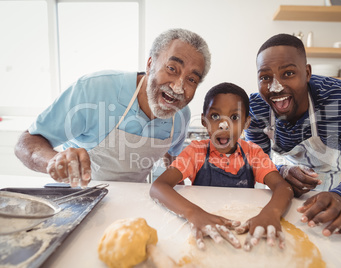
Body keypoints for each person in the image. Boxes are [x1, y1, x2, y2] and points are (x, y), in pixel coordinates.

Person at [14, 28, 211, 187]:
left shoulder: (181, 115)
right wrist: (54, 161)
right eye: (171, 69)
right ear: (150, 64)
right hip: (76, 198)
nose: (178, 87)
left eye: (191, 79)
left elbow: (171, 157)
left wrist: (177, 186)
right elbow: (26, 142)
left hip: (133, 205)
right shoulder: (95, 89)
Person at [245, 33, 341, 237]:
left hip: (339, 194)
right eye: (265, 77)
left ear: (307, 73)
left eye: (288, 73)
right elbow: (255, 161)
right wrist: (282, 172)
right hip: (282, 197)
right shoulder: (257, 106)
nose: (275, 87)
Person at [150, 82, 294, 251]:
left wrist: (271, 213)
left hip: (242, 230)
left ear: (246, 123)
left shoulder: (253, 153)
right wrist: (193, 213)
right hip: (202, 227)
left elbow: (282, 187)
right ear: (204, 121)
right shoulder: (195, 152)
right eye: (215, 116)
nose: (223, 125)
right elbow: (158, 187)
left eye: (234, 118)